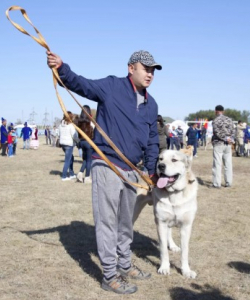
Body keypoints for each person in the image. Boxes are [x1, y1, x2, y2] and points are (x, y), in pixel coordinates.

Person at [47, 49, 160, 294]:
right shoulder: (111, 86)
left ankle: (125, 264)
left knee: (125, 222)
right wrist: (62, 68)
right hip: (106, 164)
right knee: (107, 222)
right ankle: (110, 276)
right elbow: (81, 84)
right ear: (131, 68)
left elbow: (152, 140)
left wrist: (151, 171)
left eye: (153, 70)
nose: (150, 74)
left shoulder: (152, 105)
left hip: (133, 170)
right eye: (146, 68)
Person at [211, 105, 234, 188]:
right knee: (228, 164)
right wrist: (230, 139)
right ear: (223, 111)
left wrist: (224, 138)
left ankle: (217, 183)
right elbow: (232, 130)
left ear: (216, 111)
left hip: (218, 143)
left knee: (217, 164)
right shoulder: (229, 119)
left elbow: (217, 132)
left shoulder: (216, 120)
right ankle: (229, 182)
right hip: (228, 144)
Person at [76, 105, 94, 183]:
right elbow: (93, 131)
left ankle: (80, 173)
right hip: (88, 142)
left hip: (82, 142)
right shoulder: (89, 122)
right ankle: (87, 177)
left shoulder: (79, 123)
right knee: (89, 160)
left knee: (85, 160)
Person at [59, 112, 78, 181]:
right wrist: (78, 142)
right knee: (67, 160)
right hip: (68, 144)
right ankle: (64, 176)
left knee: (71, 158)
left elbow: (59, 133)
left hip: (63, 144)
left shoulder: (61, 125)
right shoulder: (70, 125)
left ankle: (71, 173)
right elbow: (74, 136)